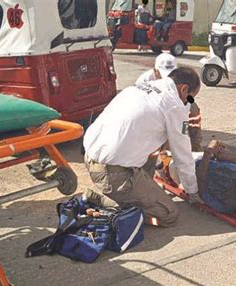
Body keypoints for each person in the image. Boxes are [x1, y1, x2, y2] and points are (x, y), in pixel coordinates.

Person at [83, 67, 202, 228]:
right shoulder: (173, 104)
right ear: (184, 89)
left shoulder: (140, 87)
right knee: (169, 214)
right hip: (113, 173)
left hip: (91, 158)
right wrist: (193, 191)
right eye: (190, 97)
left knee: (157, 138)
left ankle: (133, 191)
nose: (188, 102)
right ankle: (109, 202)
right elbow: (183, 155)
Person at [135, 53, 203, 152]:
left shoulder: (178, 79)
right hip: (155, 111)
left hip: (179, 99)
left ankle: (194, 146)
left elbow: (188, 97)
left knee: (193, 107)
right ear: (156, 71)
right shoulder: (144, 80)